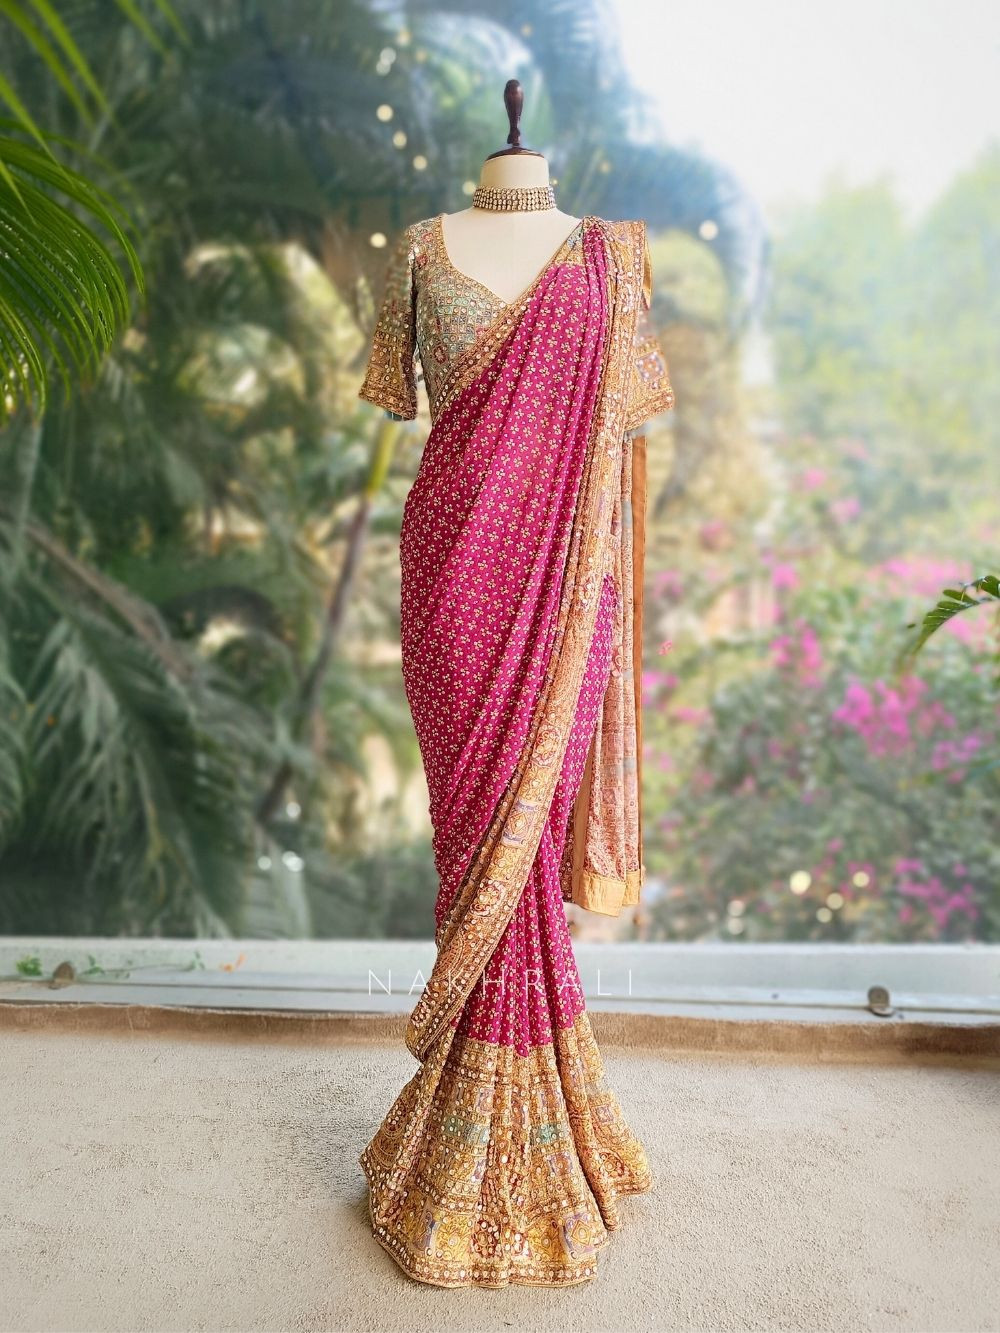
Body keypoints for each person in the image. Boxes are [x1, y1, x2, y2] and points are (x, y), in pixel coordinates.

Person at [356, 179, 675, 1289]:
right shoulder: (419, 249)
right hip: (452, 582)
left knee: (525, 860)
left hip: (565, 594)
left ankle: (513, 1132)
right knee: (476, 854)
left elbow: (620, 440)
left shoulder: (609, 257)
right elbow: (399, 399)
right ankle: (486, 1135)